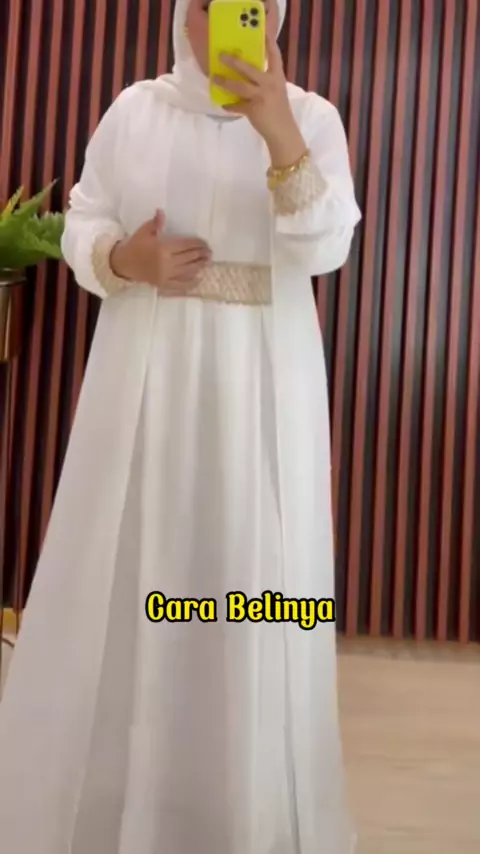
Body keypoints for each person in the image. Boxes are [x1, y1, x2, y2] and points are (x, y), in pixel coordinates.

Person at [0, 1, 361, 851]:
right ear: (182, 17)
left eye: (247, 7)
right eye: (208, 6)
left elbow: (326, 248)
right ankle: (112, 807)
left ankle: (238, 812)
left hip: (262, 385)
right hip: (143, 375)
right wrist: (124, 258)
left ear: (273, 19)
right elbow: (84, 217)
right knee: (130, 558)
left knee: (246, 564)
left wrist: (276, 129)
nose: (224, 23)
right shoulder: (136, 109)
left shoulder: (311, 116)